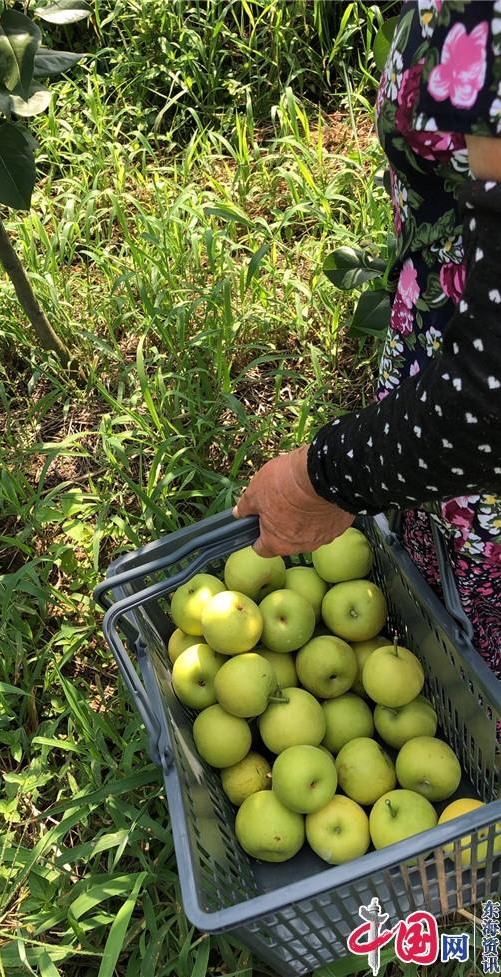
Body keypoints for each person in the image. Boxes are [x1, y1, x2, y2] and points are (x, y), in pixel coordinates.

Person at [234, 0, 501, 678]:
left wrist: (319, 476)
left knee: (474, 687)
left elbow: (493, 397)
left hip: (470, 447)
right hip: (432, 419)